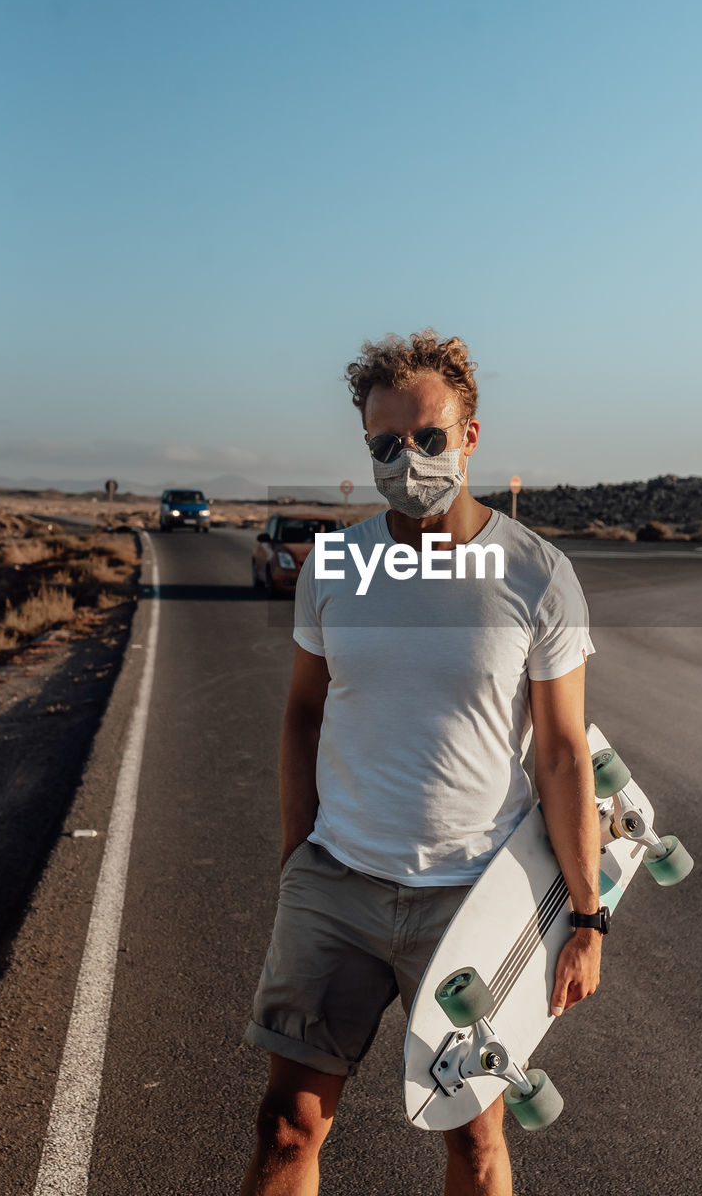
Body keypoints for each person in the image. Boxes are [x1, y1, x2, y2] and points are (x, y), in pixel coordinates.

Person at [240, 331, 602, 1196]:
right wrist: (298, 853)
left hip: (473, 905)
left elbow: (559, 755)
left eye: (427, 438)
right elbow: (302, 711)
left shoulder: (537, 577)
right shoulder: (334, 565)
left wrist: (587, 916)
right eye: (384, 444)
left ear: (470, 437)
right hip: (337, 883)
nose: (407, 459)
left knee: (474, 1143)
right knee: (286, 1130)